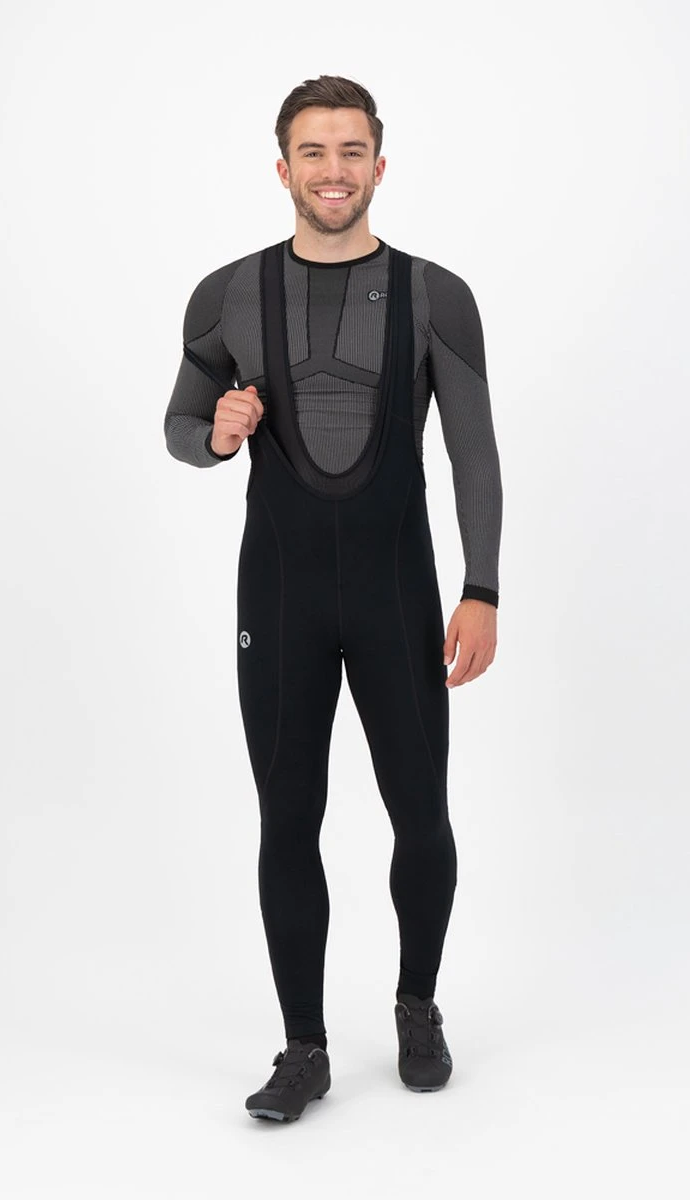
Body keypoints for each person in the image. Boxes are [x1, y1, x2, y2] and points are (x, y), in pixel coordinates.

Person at [163, 74, 503, 1122]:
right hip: (281, 597)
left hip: (399, 595)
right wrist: (217, 434)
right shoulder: (226, 293)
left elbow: (474, 452)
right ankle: (303, 1047)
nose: (332, 170)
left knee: (422, 814)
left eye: (351, 150)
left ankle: (417, 1006)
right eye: (312, 151)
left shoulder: (435, 294)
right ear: (283, 169)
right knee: (287, 819)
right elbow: (180, 428)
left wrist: (481, 587)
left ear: (379, 166)